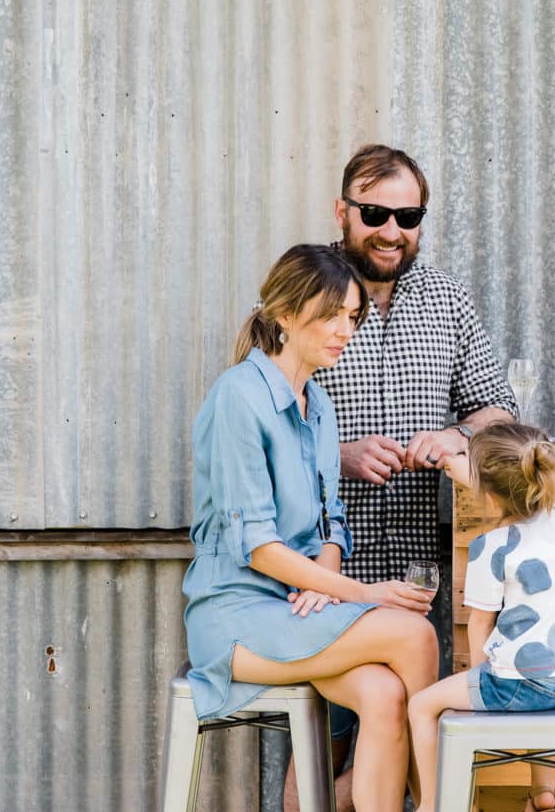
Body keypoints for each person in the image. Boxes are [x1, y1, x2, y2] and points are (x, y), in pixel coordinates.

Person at [295, 144, 518, 811]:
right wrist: (338, 453)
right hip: (328, 576)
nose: (392, 229)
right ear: (342, 211)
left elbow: (497, 407)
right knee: (326, 750)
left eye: (408, 214)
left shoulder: (446, 299)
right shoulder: (305, 292)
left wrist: (458, 435)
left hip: (425, 580)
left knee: (409, 740)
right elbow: (266, 420)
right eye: (375, 212)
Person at [182, 244, 439, 812]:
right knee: (415, 633)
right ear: (284, 316)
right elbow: (258, 549)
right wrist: (358, 593)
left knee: (384, 692)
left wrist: (323, 585)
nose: (344, 330)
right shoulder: (239, 399)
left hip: (293, 609)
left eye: (351, 316)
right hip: (237, 615)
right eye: (330, 315)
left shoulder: (318, 405)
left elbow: (331, 524)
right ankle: (439, 801)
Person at [409, 423, 555, 812]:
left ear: (488, 498)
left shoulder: (490, 548)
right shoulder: (554, 519)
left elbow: (479, 626)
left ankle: (432, 804)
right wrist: (475, 471)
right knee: (533, 667)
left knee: (422, 706)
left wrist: (480, 695)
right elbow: (512, 477)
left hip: (518, 687)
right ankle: (543, 794)